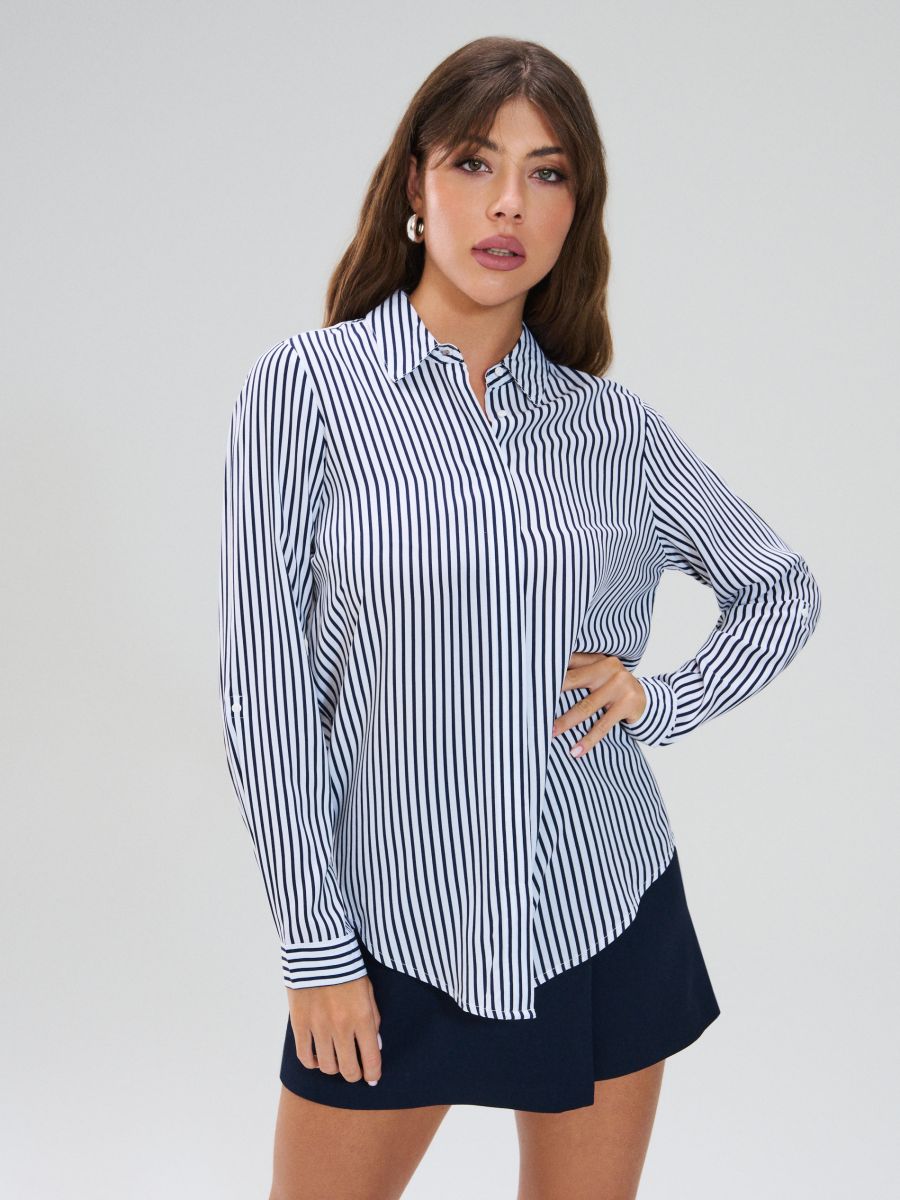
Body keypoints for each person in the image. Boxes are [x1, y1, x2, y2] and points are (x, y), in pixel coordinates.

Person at [217, 35, 821, 1200]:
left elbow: (779, 587)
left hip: (598, 909)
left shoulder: (612, 428)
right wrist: (315, 950)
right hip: (388, 929)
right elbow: (267, 691)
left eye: (547, 173)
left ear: (575, 209)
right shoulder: (305, 394)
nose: (508, 203)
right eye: (474, 163)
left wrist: (661, 699)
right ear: (414, 184)